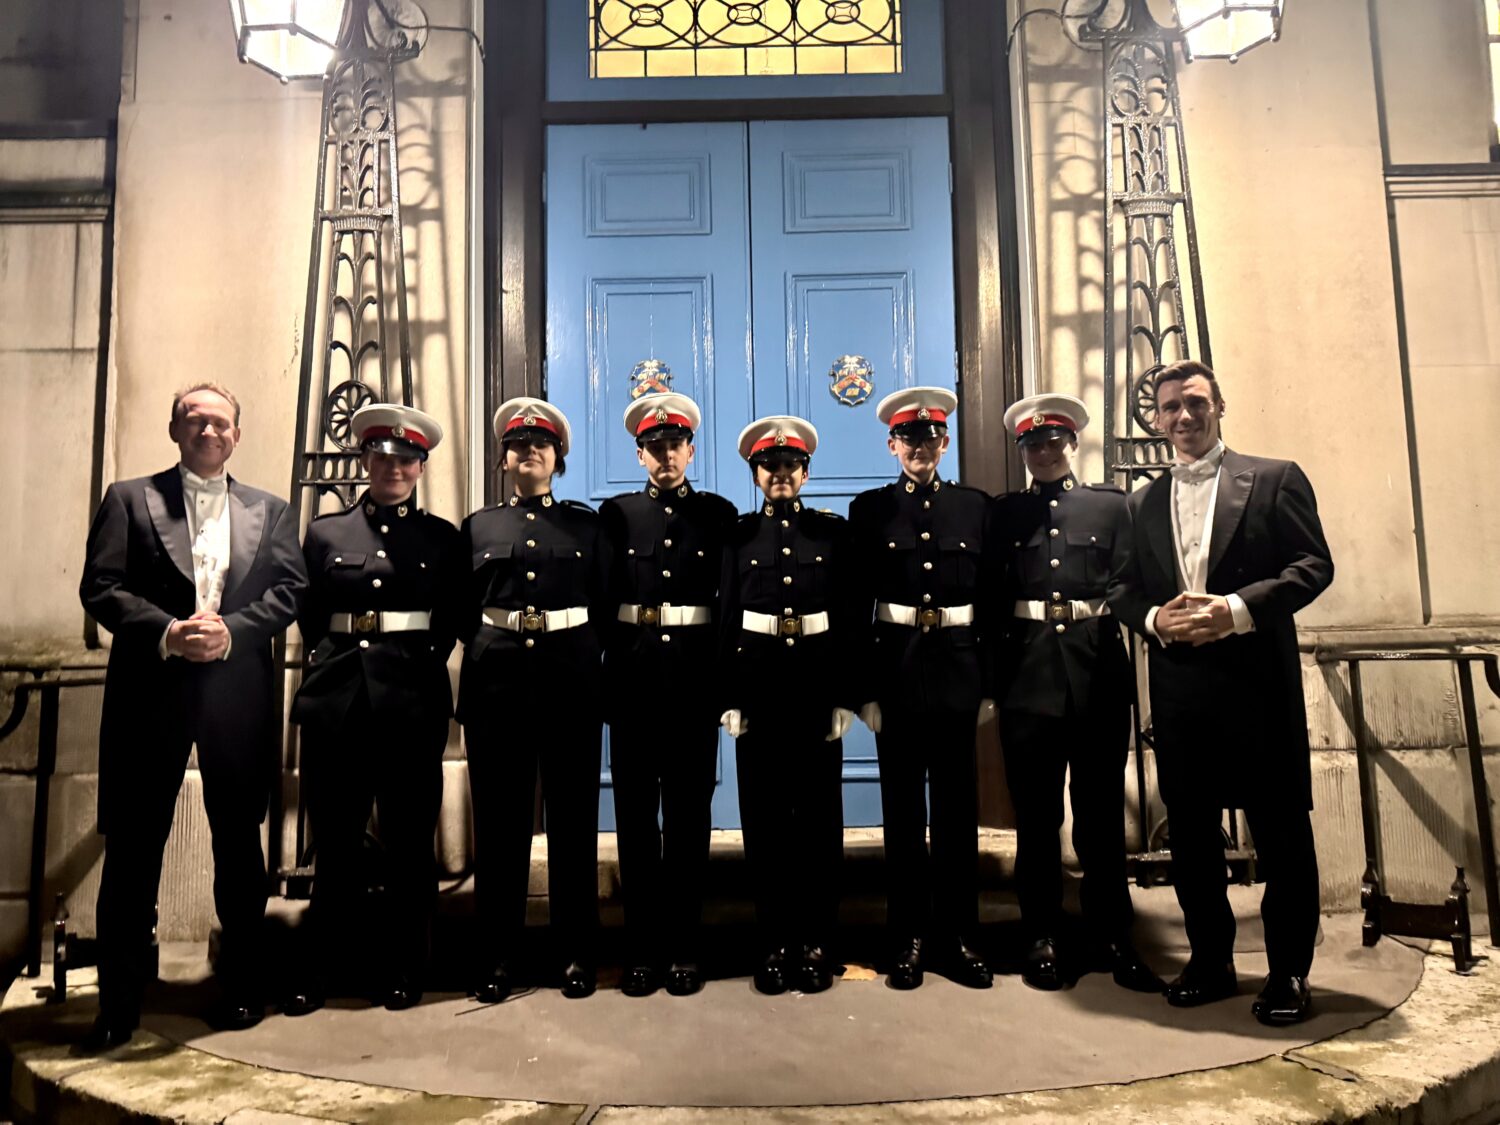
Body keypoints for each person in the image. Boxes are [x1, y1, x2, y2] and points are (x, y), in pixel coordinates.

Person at [77, 383, 307, 1050]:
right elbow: (100, 585)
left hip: (238, 697)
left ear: (237, 434)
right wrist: (168, 631)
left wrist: (233, 630)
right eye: (195, 420)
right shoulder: (128, 497)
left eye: (221, 422)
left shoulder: (272, 509)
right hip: (151, 695)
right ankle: (118, 1004)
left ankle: (242, 989)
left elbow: (290, 589)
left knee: (240, 847)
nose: (209, 431)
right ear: (175, 428)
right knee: (133, 850)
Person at [1107, 360, 1333, 1026]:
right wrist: (1154, 619)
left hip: (1258, 687)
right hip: (1180, 694)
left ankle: (1289, 971)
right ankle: (1211, 960)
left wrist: (1234, 608)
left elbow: (1313, 565)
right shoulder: (1140, 501)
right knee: (1194, 839)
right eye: (1171, 406)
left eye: (1196, 403)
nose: (1184, 416)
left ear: (1220, 405)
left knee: (1283, 833)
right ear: (1156, 418)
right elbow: (1122, 589)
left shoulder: (1273, 478)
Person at [285, 404, 460, 1015]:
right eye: (383, 457)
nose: (394, 468)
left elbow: (452, 621)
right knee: (335, 844)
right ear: (366, 461)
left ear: (420, 467)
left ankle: (406, 968)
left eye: (406, 459)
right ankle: (322, 969)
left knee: (411, 844)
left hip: (410, 705)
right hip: (339, 705)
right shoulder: (327, 533)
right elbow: (309, 616)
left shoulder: (442, 539)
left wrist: (410, 665)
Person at [992, 393, 1162, 994]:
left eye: (1053, 442)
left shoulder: (1112, 509)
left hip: (1096, 678)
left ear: (1073, 445)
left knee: (1099, 821)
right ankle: (1041, 935)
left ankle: (1113, 935)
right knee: (1037, 822)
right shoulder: (1005, 515)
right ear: (1022, 452)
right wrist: (992, 683)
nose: (1043, 452)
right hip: (1027, 680)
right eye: (1032, 445)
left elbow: (1130, 582)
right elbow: (991, 599)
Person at [457, 397, 610, 1002]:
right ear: (504, 459)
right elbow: (460, 609)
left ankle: (575, 954)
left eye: (540, 446)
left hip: (569, 684)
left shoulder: (587, 526)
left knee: (574, 824)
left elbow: (606, 602)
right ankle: (498, 957)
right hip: (497, 690)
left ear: (557, 459)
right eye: (519, 446)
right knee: (500, 827)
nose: (529, 453)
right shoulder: (477, 527)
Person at [848, 387, 994, 991]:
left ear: (945, 442)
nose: (920, 447)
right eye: (909, 438)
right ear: (892, 444)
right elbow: (856, 606)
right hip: (898, 678)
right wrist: (865, 692)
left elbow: (989, 599)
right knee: (902, 817)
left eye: (930, 437)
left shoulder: (975, 508)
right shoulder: (870, 511)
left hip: (960, 676)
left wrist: (989, 685)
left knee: (959, 816)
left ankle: (958, 937)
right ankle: (905, 937)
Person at [600, 392, 736, 998]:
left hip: (693, 685)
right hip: (632, 684)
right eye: (654, 448)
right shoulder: (616, 515)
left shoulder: (719, 514)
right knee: (633, 819)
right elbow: (603, 602)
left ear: (690, 449)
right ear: (640, 454)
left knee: (688, 820)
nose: (666, 456)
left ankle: (684, 946)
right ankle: (641, 949)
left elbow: (730, 605)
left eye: (675, 446)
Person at [719, 416, 861, 996]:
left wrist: (846, 696)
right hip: (759, 695)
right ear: (756, 474)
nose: (781, 475)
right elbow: (727, 614)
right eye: (769, 467)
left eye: (790, 466)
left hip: (814, 694)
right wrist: (728, 696)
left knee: (821, 824)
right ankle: (774, 942)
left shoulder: (833, 535)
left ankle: (818, 942)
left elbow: (852, 618)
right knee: (766, 824)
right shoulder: (737, 536)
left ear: (805, 472)